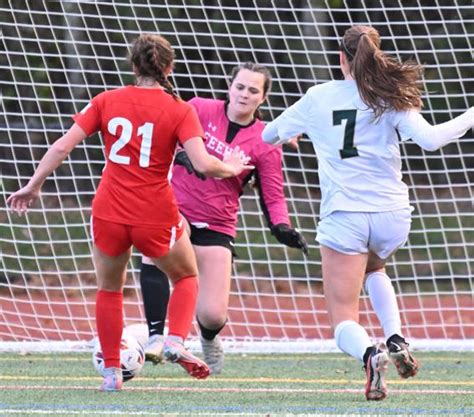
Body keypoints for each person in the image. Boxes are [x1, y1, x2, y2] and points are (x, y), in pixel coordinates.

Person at [7, 34, 254, 391]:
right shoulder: (179, 109)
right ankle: (174, 341)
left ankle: (111, 373)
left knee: (109, 290)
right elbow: (203, 164)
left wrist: (33, 185)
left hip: (109, 210)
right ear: (169, 68)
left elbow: (62, 146)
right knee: (186, 277)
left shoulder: (107, 100)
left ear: (133, 66)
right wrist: (231, 166)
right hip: (154, 211)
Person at [261, 25, 473, 401]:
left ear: (341, 58)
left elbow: (268, 135)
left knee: (343, 316)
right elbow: (431, 140)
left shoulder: (317, 97)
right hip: (393, 215)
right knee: (375, 267)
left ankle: (370, 354)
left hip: (346, 215)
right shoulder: (389, 95)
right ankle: (395, 337)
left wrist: (292, 132)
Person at [139, 62, 308, 374]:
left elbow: (273, 194)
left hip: (218, 224)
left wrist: (281, 226)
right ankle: (156, 337)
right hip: (176, 209)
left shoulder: (266, 141)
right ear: (230, 87)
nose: (244, 94)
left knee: (214, 315)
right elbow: (164, 129)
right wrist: (181, 154)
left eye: (253, 90)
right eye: (240, 87)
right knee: (158, 245)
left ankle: (207, 338)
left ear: (263, 98)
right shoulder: (199, 109)